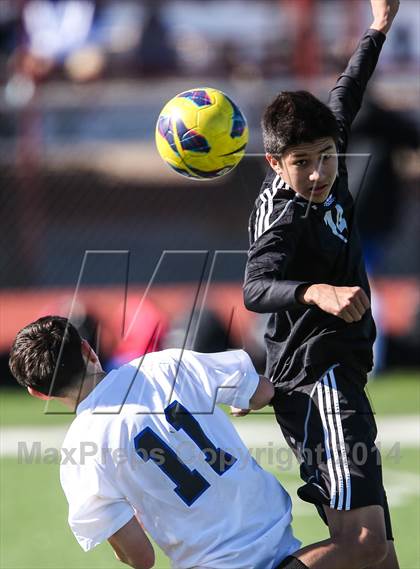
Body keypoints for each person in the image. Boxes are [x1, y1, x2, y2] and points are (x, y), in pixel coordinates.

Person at [243, 1, 400, 568]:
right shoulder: (286, 217)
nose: (318, 173)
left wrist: (378, 26)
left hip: (337, 373)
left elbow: (348, 89)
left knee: (381, 558)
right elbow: (255, 287)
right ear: (275, 162)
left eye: (327, 157)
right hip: (317, 378)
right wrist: (316, 291)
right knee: (363, 545)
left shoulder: (328, 141)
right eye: (302, 162)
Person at [8, 315, 300, 569]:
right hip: (277, 532)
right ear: (88, 349)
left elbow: (141, 558)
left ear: (39, 393)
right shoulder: (165, 363)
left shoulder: (78, 452)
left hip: (212, 561)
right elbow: (261, 392)